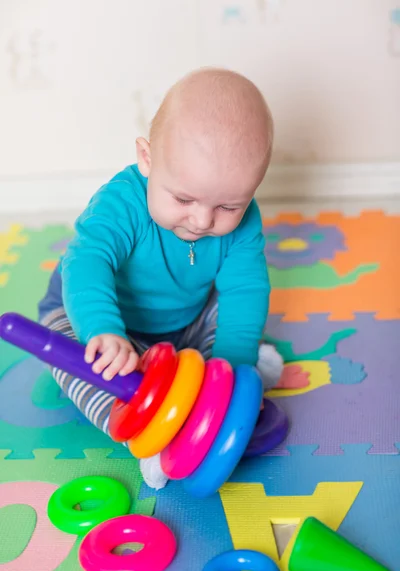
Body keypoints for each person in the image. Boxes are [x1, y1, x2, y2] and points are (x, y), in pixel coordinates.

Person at [38, 67, 283, 489]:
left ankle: (232, 366)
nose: (203, 220)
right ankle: (144, 434)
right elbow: (87, 261)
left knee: (232, 310)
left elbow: (246, 289)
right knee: (80, 361)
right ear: (147, 159)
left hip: (185, 319)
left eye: (228, 206)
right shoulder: (122, 202)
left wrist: (231, 365)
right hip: (99, 318)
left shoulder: (244, 223)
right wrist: (102, 329)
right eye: (184, 198)